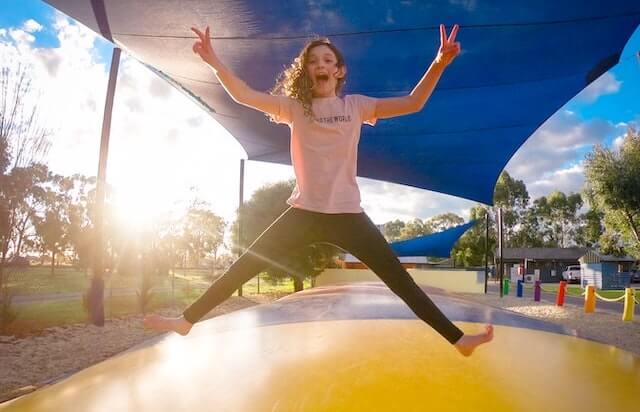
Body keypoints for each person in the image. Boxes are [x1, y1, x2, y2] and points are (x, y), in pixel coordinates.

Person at [144, 24, 493, 357]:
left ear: (339, 71)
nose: (320, 65)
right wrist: (213, 61)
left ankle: (458, 339)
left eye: (327, 60)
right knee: (245, 265)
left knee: (400, 281)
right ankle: (187, 320)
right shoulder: (296, 108)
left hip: (348, 214)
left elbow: (413, 102)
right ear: (306, 71)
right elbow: (244, 95)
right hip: (304, 212)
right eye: (313, 61)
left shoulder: (356, 106)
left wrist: (438, 63)